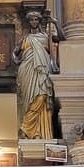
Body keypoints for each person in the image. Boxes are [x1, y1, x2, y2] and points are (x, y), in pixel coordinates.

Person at [13, 10, 62, 139]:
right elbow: (15, 53)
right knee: (28, 100)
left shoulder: (45, 37)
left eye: (36, 20)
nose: (34, 22)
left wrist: (56, 24)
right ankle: (33, 132)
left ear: (39, 22)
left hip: (42, 71)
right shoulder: (25, 38)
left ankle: (26, 128)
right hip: (27, 70)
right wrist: (16, 59)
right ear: (29, 22)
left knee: (41, 96)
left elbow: (62, 39)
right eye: (32, 20)